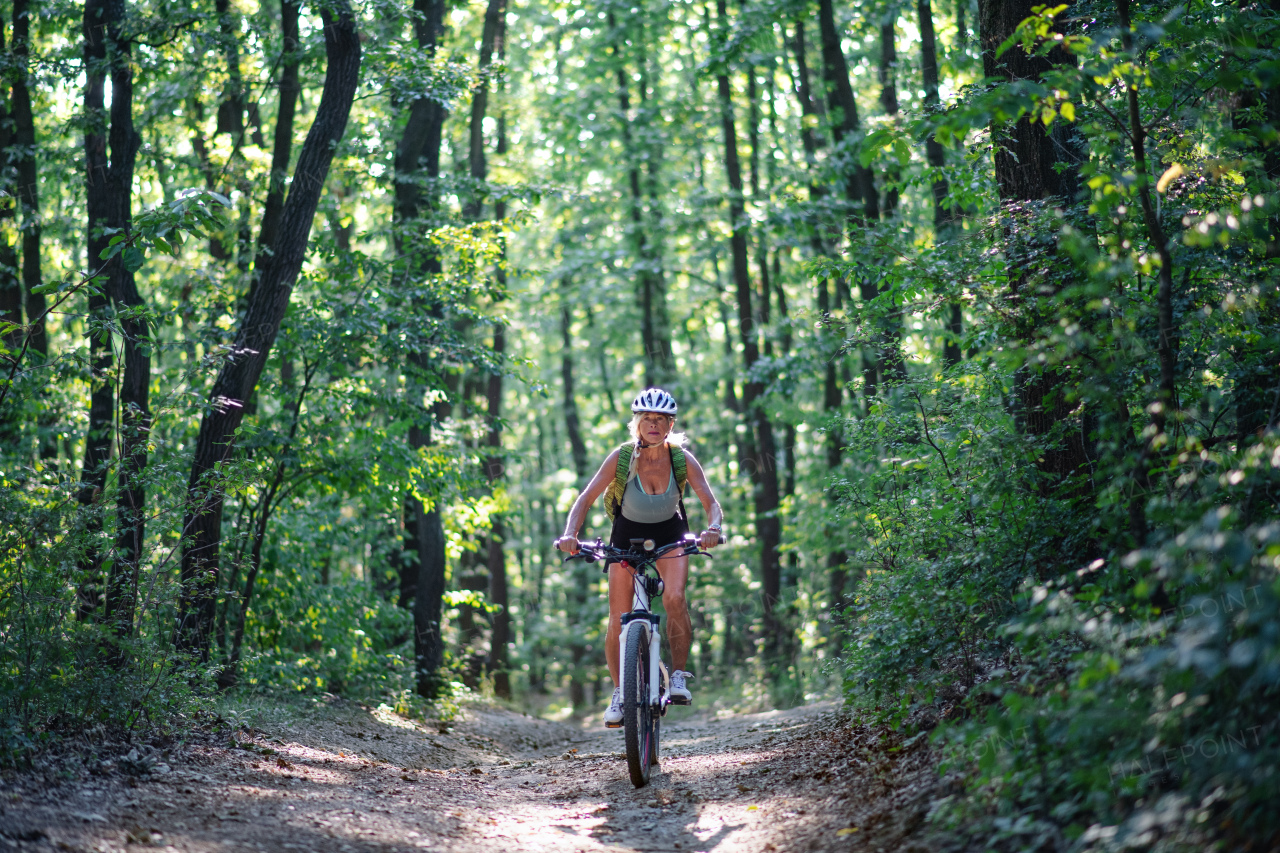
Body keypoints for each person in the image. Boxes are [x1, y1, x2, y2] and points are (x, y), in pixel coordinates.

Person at [555, 388, 724, 727]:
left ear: (670, 424)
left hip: (670, 535)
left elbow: (710, 502)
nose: (654, 424)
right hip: (626, 537)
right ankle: (620, 692)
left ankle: (677, 676)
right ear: (636, 423)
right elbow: (585, 498)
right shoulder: (621, 457)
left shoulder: (681, 459)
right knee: (618, 616)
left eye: (661, 419)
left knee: (675, 598)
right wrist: (571, 534)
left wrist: (714, 528)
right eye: (647, 418)